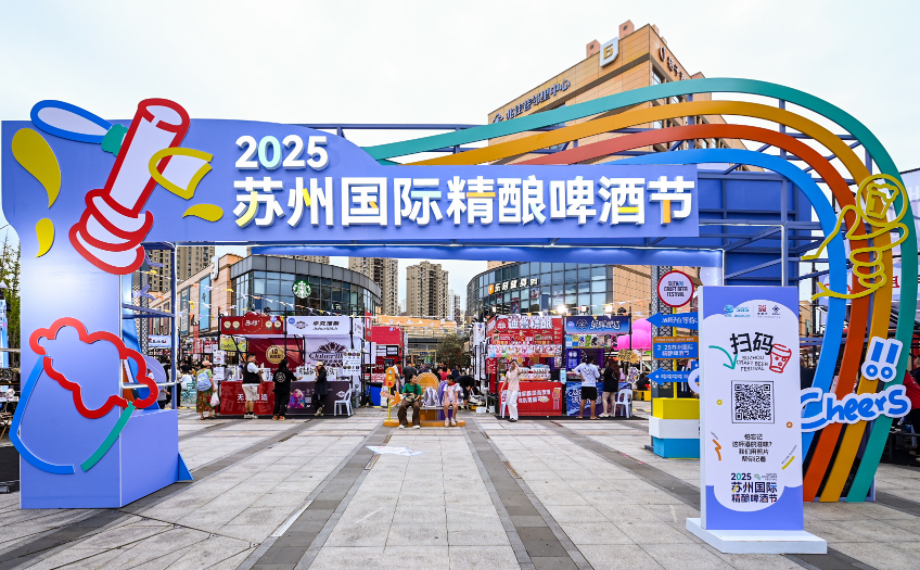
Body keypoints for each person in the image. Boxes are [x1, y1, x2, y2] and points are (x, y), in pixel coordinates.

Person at [242, 354, 261, 419]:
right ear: (250, 358)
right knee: (252, 399)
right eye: (254, 358)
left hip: (245, 384)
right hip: (251, 384)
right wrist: (261, 378)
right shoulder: (251, 364)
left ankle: (247, 413)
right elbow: (258, 372)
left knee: (248, 399)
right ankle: (251, 413)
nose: (255, 359)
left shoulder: (246, 364)